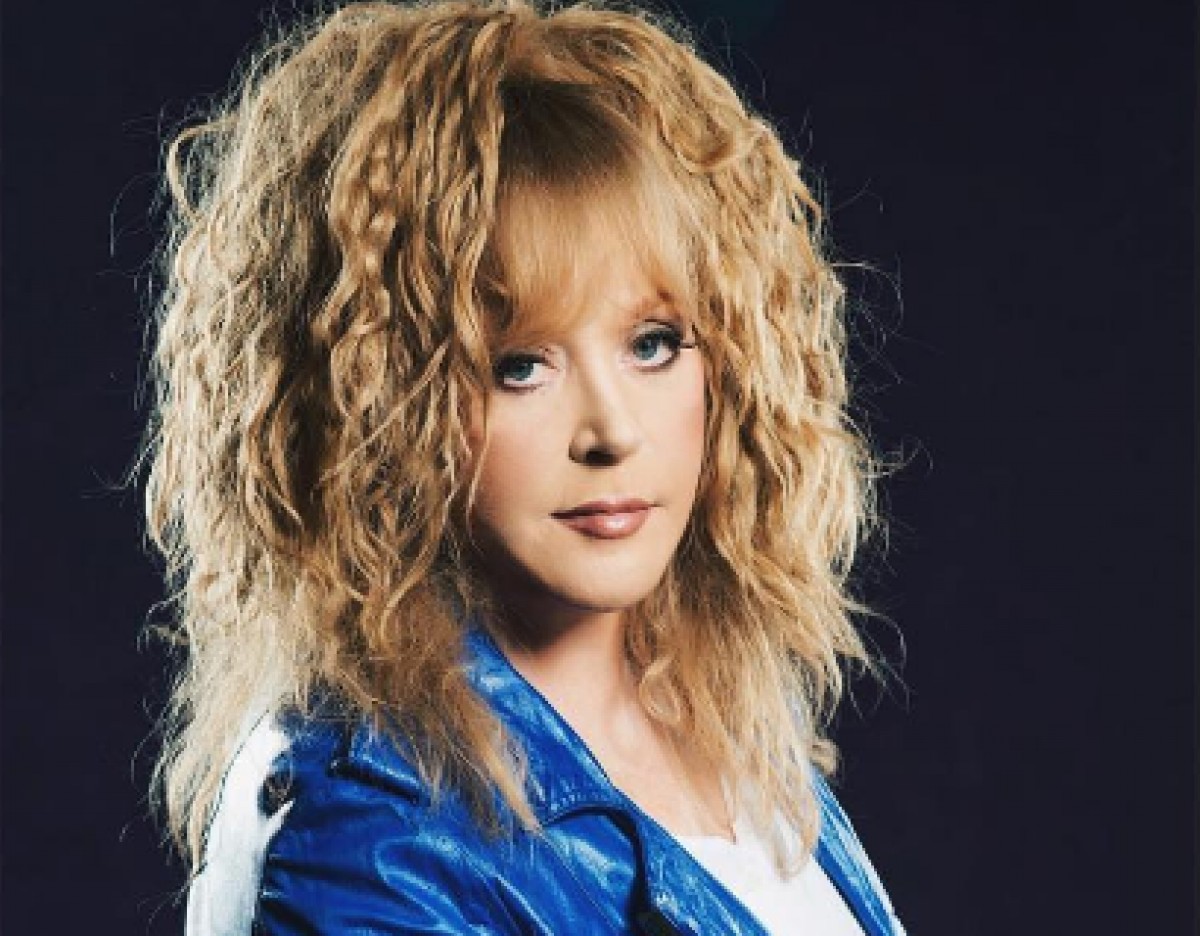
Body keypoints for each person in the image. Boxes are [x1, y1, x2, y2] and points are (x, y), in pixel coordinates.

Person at [141, 1, 906, 933]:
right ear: (378, 405)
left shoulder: (722, 730)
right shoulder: (373, 834)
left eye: (653, 344)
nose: (612, 431)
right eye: (520, 366)